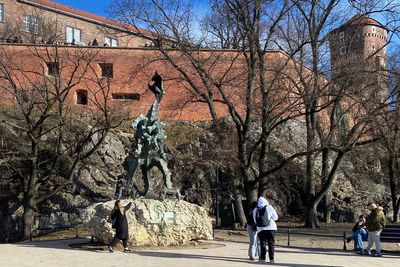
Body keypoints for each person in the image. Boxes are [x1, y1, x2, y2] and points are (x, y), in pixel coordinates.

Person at [253, 197, 278, 264]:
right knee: (271, 243)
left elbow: (255, 220)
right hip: (271, 228)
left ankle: (262, 259)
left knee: (262, 243)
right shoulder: (269, 207)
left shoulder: (255, 209)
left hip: (260, 229)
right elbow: (276, 218)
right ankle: (271, 259)